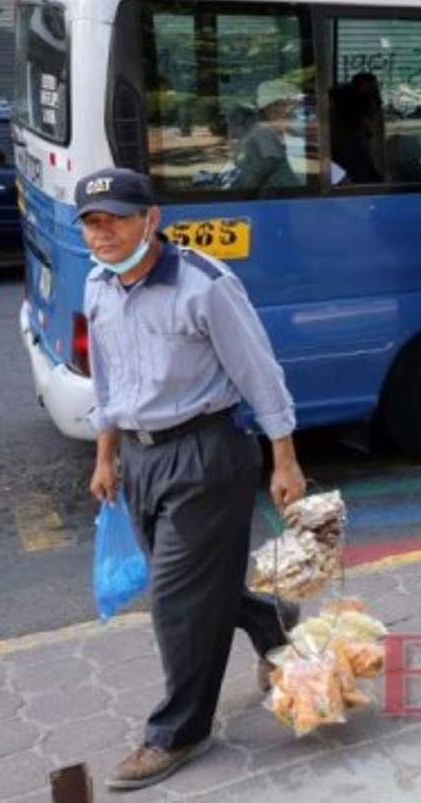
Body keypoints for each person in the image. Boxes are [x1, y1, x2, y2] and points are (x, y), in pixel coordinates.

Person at [77, 168, 308, 790]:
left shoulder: (204, 284)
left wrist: (285, 458)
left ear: (151, 220)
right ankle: (269, 620)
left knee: (176, 602)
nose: (102, 234)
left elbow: (259, 371)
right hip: (140, 457)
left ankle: (179, 731)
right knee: (192, 584)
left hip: (207, 453)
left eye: (116, 220)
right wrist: (106, 454)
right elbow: (107, 378)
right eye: (92, 223)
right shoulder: (98, 283)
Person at [232, 79, 305, 195]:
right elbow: (249, 185)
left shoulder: (269, 132)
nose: (295, 110)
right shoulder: (264, 136)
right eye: (291, 104)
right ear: (273, 107)